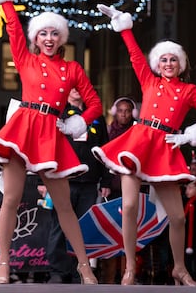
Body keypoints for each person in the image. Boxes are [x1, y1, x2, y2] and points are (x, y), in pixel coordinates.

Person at [0, 0, 103, 285]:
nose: (49, 38)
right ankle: (3, 264)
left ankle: (85, 268)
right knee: (11, 198)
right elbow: (13, 29)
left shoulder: (73, 69)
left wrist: (77, 122)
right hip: (22, 128)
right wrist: (6, 0)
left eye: (54, 33)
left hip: (51, 135)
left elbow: (96, 104)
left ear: (62, 39)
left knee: (64, 206)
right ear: (35, 37)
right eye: (43, 33)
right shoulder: (25, 58)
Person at [92, 4, 196, 286]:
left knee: (177, 217)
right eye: (163, 59)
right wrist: (123, 27)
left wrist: (189, 135)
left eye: (173, 59)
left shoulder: (189, 91)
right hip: (138, 144)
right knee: (128, 207)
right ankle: (129, 269)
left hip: (165, 148)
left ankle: (179, 269)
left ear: (180, 64)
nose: (168, 63)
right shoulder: (148, 79)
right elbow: (135, 54)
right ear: (157, 64)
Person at [45, 88, 112, 283]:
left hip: (89, 182)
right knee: (59, 225)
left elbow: (104, 150)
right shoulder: (59, 113)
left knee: (84, 227)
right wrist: (43, 181)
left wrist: (105, 180)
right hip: (63, 178)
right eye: (72, 87)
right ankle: (58, 270)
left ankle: (80, 270)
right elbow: (47, 144)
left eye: (79, 87)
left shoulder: (95, 117)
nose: (76, 91)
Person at [98, 96, 138, 284]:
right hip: (112, 189)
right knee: (110, 232)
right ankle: (108, 277)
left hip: (133, 186)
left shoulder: (138, 131)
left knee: (132, 231)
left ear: (133, 113)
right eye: (120, 110)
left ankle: (128, 272)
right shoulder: (107, 131)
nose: (123, 114)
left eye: (127, 111)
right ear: (115, 112)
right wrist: (105, 183)